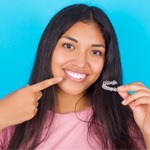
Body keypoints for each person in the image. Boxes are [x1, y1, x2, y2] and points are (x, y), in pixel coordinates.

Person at [0, 3, 150, 150]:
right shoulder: (11, 116)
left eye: (95, 52)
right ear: (49, 48)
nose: (80, 63)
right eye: (69, 46)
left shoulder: (127, 123)